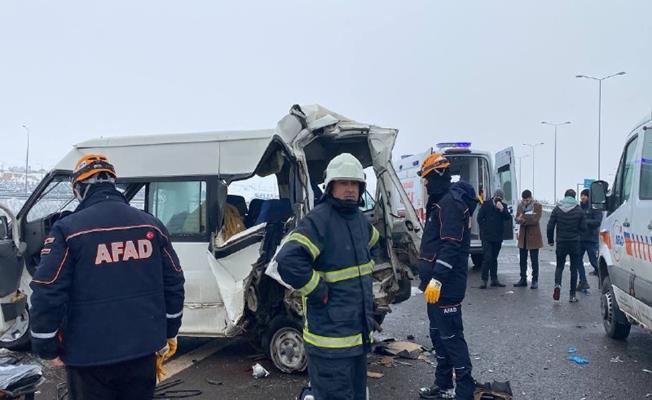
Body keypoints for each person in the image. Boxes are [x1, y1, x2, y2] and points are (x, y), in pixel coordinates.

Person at [29, 154, 185, 400]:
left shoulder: (67, 229)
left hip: (89, 357)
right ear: (112, 184)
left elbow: (47, 290)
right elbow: (174, 281)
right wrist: (170, 329)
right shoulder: (151, 225)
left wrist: (46, 346)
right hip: (142, 350)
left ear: (79, 189)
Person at [276, 153, 380, 400]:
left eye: (355, 184)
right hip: (329, 344)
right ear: (331, 186)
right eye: (344, 183)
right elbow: (288, 261)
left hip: (358, 338)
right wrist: (318, 289)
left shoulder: (360, 221)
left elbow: (375, 243)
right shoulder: (319, 220)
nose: (350, 189)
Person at [416, 152, 479, 400]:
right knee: (437, 335)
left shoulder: (450, 204)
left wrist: (438, 277)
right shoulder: (440, 202)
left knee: (451, 337)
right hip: (433, 285)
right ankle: (442, 385)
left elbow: (451, 245)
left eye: (427, 178)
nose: (425, 183)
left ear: (438, 175)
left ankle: (464, 390)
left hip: (446, 285)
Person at [547, 189, 587, 303]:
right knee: (574, 269)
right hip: (574, 243)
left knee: (559, 266)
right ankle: (572, 295)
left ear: (564, 196)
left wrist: (550, 240)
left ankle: (557, 285)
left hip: (561, 242)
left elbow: (550, 226)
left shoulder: (557, 209)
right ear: (574, 197)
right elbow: (584, 228)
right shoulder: (579, 210)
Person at [477, 189, 511, 289]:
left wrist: (502, 209)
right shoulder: (486, 204)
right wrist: (484, 229)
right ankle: (484, 280)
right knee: (487, 257)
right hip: (487, 237)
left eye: (500, 198)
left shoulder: (503, 206)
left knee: (494, 258)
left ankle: (494, 279)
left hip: (498, 237)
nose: (498, 200)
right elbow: (479, 218)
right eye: (497, 198)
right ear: (494, 196)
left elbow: (508, 217)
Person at [513, 190, 543, 289]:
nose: (525, 201)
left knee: (534, 260)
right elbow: (517, 218)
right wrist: (525, 218)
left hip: (534, 236)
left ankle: (535, 280)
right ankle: (523, 279)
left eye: (526, 200)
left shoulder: (537, 206)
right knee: (522, 259)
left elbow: (535, 220)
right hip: (523, 236)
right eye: (523, 200)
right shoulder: (520, 206)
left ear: (530, 198)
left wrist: (523, 219)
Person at [578, 188, 602, 287]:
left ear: (589, 197)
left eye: (585, 195)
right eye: (581, 195)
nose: (583, 197)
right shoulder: (579, 208)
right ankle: (583, 281)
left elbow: (597, 221)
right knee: (577, 260)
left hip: (591, 239)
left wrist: (585, 221)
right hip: (580, 239)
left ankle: (602, 278)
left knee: (594, 262)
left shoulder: (594, 208)